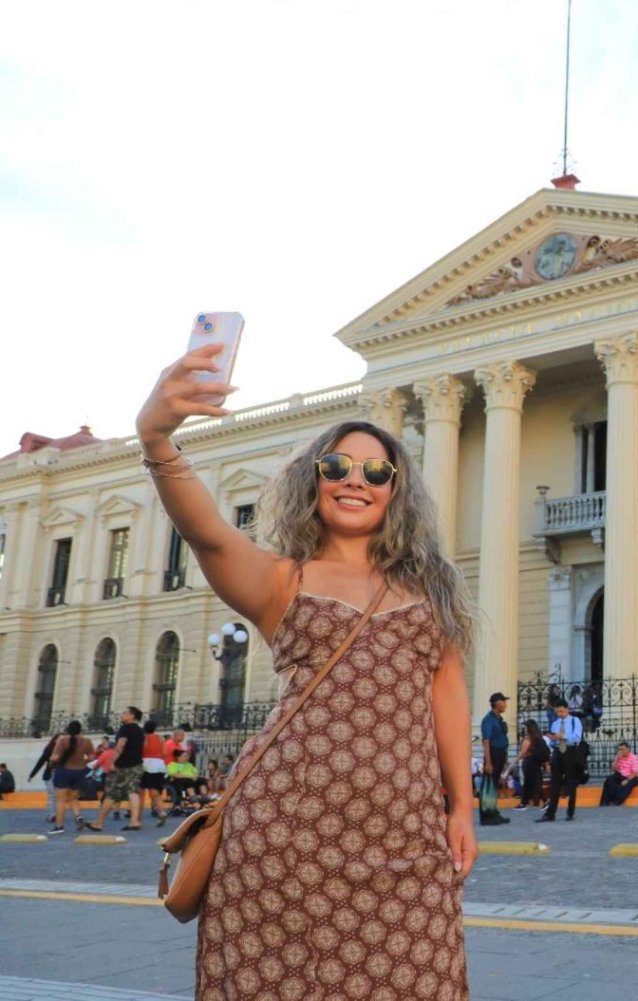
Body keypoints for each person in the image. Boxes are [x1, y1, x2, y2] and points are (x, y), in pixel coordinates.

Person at [137, 352, 476, 998]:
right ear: (314, 480)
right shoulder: (282, 579)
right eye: (337, 466)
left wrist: (461, 805)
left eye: (377, 470)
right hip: (284, 840)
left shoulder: (430, 588)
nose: (356, 479)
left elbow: (448, 690)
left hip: (406, 840)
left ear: (396, 488)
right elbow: (207, 533)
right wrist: (156, 438)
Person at [89, 706, 145, 831]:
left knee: (111, 794)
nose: (122, 715)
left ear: (132, 716)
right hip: (137, 764)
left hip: (123, 765)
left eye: (124, 713)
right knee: (133, 792)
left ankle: (99, 822)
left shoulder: (124, 729)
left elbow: (120, 746)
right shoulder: (140, 730)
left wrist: (113, 761)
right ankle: (135, 820)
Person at [538, 698, 585, 822]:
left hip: (570, 750)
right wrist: (552, 738)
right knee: (555, 783)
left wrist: (562, 736)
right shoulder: (555, 723)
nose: (560, 714)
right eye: (558, 712)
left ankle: (570, 812)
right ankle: (550, 814)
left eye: (562, 712)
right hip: (558, 751)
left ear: (567, 709)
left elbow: (576, 737)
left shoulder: (575, 721)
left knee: (571, 782)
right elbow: (553, 741)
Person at [47, 721, 94, 834]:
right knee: (73, 799)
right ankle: (79, 819)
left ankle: (59, 826)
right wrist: (82, 761)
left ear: (68, 729)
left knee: (61, 800)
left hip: (63, 771)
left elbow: (54, 758)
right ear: (80, 730)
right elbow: (92, 758)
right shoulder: (87, 741)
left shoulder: (62, 741)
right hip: (79, 773)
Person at [481, 692, 511, 825]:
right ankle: (487, 815)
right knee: (489, 785)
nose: (505, 704)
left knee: (495, 785)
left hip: (500, 753)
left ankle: (493, 811)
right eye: (503, 701)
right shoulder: (488, 719)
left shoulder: (498, 718)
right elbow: (486, 741)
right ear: (497, 703)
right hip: (493, 753)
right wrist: (488, 762)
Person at [139, 719, 170, 826]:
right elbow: (165, 753)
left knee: (140, 792)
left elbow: (140, 750)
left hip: (145, 764)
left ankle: (137, 817)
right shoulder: (160, 738)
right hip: (159, 765)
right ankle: (161, 812)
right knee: (155, 792)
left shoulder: (143, 738)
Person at [28, 735, 60, 826]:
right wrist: (32, 775)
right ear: (54, 740)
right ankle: (52, 814)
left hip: (60, 776)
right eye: (59, 739)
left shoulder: (64, 751)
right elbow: (40, 762)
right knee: (52, 794)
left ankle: (53, 813)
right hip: (50, 775)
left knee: (56, 796)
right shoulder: (49, 750)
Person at [518, 719, 548, 810]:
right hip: (535, 762)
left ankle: (545, 801)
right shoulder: (539, 738)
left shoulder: (529, 738)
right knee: (530, 783)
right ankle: (523, 803)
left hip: (529, 762)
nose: (524, 729)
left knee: (534, 783)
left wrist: (516, 760)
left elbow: (523, 752)